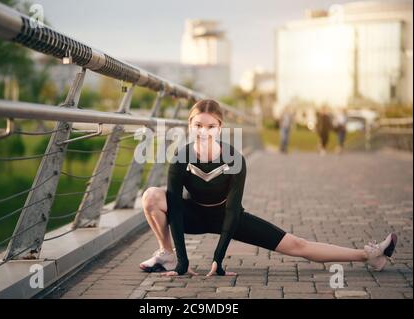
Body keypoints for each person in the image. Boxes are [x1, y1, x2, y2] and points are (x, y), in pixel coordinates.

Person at [139, 99, 397, 277]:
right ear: (189, 125)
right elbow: (173, 209)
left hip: (230, 217)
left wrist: (218, 258)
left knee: (298, 245)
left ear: (220, 128)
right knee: (152, 196)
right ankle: (168, 255)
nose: (203, 132)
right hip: (192, 215)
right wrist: (183, 263)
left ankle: (368, 255)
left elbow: (232, 209)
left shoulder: (234, 159)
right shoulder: (180, 158)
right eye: (197, 125)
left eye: (210, 126)